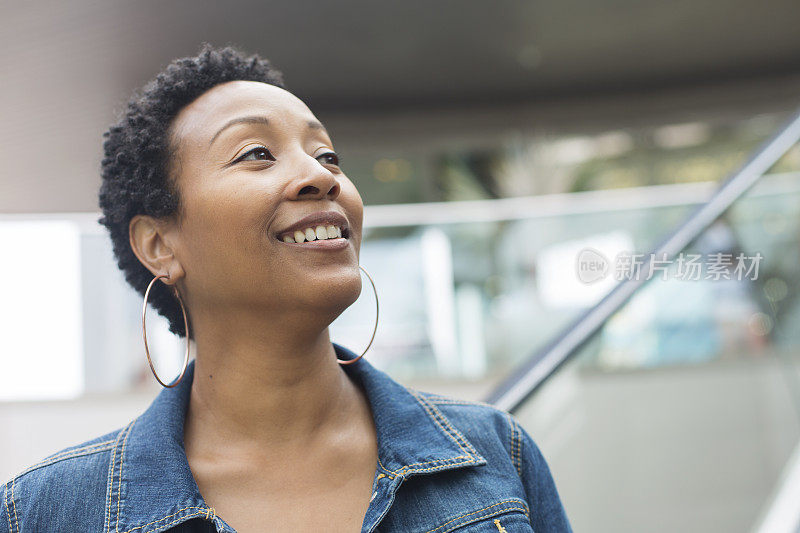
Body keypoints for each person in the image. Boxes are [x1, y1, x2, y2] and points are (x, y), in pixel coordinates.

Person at [1, 44, 572, 533]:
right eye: (256, 154)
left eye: (328, 156)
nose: (324, 176)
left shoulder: (499, 452)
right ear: (158, 245)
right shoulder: (44, 511)